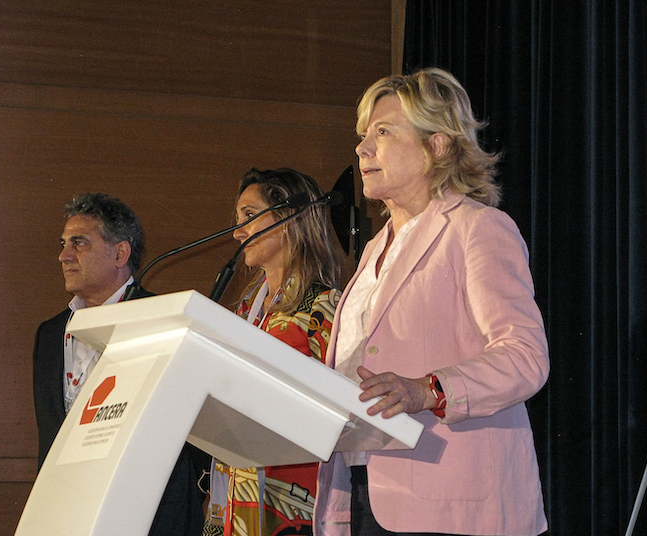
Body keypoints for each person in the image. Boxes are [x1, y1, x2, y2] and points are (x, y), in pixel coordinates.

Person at [313, 68, 550, 536]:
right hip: (364, 487)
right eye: (363, 136)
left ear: (437, 145)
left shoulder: (478, 229)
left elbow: (525, 358)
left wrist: (428, 389)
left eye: (382, 132)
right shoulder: (376, 246)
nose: (362, 149)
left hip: (452, 503)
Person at [33, 192, 211, 535]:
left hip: (154, 517)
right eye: (63, 243)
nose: (63, 255)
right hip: (69, 515)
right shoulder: (49, 335)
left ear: (120, 253)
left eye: (79, 243)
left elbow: (196, 432)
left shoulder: (165, 319)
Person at [204, 168, 345, 536]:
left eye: (249, 216)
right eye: (237, 220)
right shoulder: (242, 313)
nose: (237, 232)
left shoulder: (324, 307)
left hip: (294, 504)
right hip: (237, 498)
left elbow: (344, 408)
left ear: (289, 219)